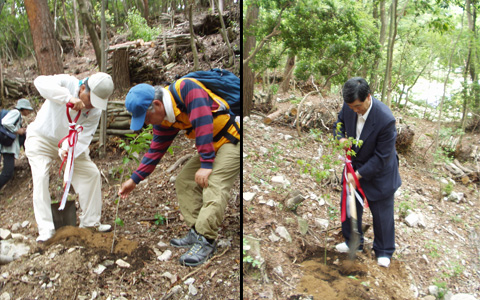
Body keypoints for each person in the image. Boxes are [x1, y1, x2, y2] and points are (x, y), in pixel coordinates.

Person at [118, 81, 240, 267]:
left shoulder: (187, 89)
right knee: (184, 180)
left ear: (157, 105)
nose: (147, 123)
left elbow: (203, 121)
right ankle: (197, 231)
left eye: (147, 118)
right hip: (212, 146)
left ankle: (206, 240)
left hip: (232, 138)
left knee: (214, 183)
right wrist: (134, 180)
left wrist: (206, 163)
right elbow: (155, 151)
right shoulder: (166, 119)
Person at [25, 72, 114, 242]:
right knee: (41, 175)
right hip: (41, 138)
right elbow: (40, 82)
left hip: (68, 144)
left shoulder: (95, 111)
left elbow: (84, 136)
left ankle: (90, 223)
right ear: (82, 88)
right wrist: (67, 98)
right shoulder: (67, 83)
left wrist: (67, 148)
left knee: (91, 173)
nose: (92, 106)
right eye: (90, 99)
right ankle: (46, 230)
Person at [333, 77, 401, 268]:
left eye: (357, 106)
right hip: (354, 165)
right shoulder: (349, 107)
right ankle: (353, 242)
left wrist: (358, 176)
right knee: (349, 204)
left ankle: (384, 250)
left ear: (368, 97)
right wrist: (340, 139)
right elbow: (339, 125)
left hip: (381, 171)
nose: (354, 110)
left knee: (382, 213)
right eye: (351, 106)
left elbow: (382, 157)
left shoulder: (385, 119)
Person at [0, 98, 35, 190]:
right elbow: (5, 122)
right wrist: (18, 130)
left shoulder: (16, 114)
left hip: (8, 145)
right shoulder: (16, 113)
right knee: (7, 173)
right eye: (28, 110)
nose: (28, 112)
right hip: (8, 148)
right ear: (24, 108)